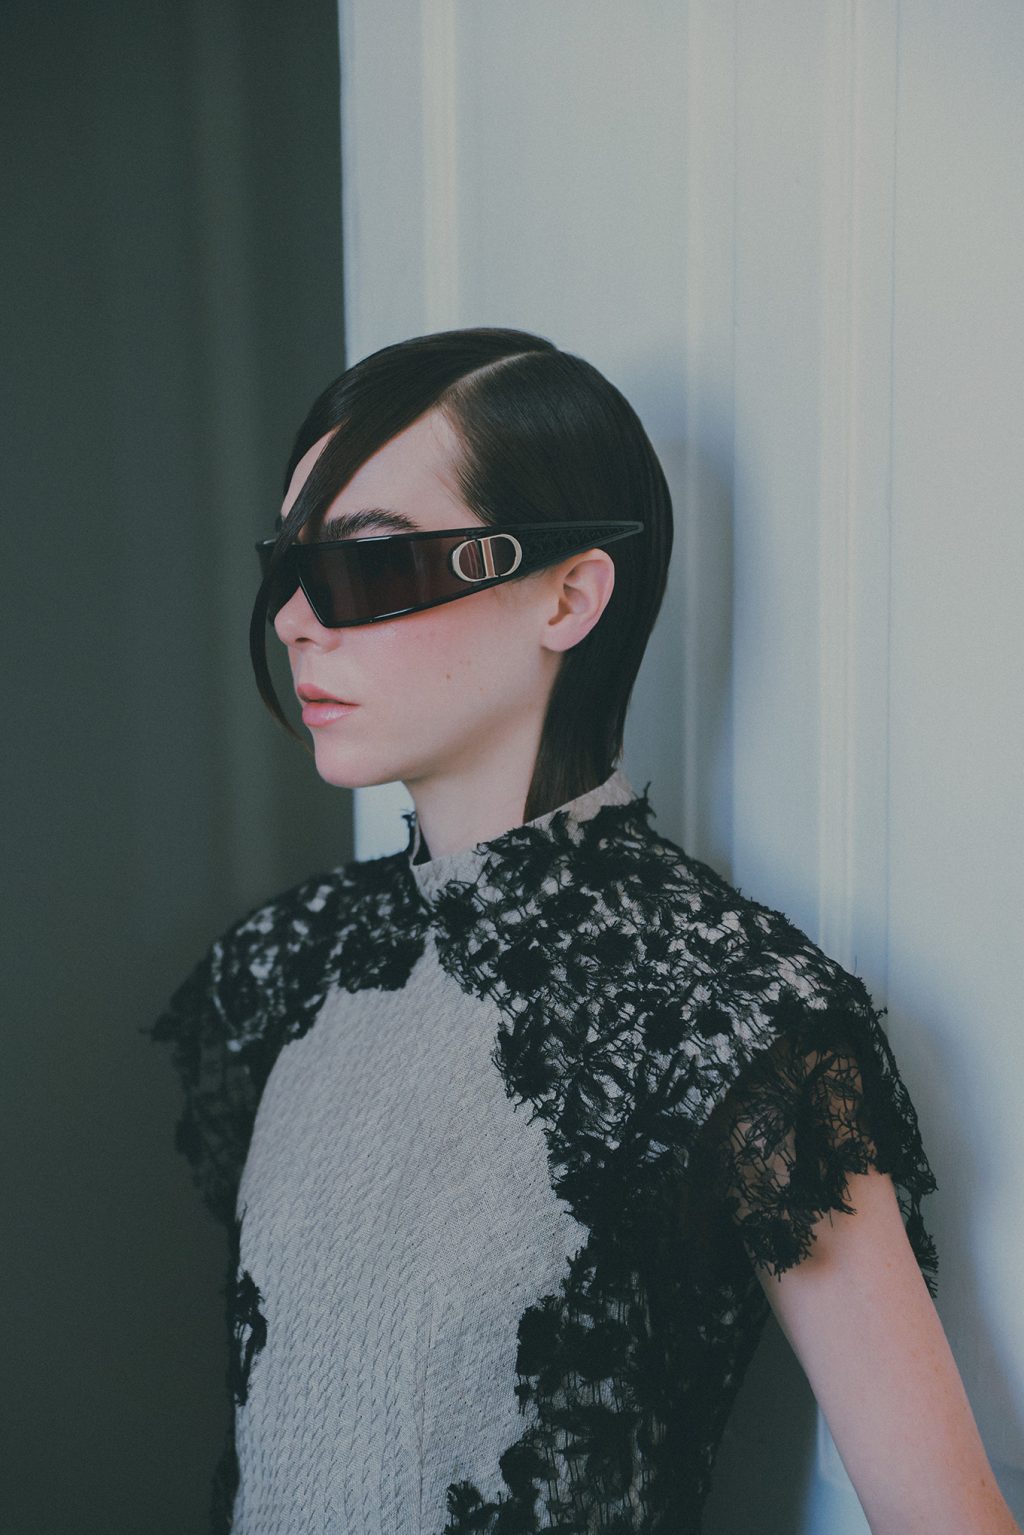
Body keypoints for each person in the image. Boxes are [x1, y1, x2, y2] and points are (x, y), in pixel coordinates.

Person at [146, 327, 1019, 1535]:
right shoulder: (284, 964)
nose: (297, 618)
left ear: (566, 594)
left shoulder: (728, 1011)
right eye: (289, 566)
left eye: (368, 564)